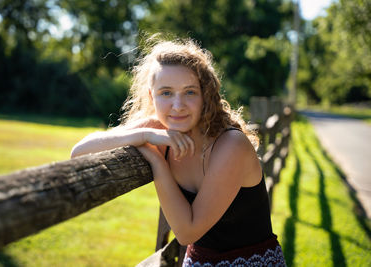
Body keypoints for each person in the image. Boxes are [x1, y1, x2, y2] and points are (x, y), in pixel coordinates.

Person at [71, 36, 286, 266]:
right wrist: (143, 136)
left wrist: (156, 161)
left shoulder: (230, 144)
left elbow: (187, 232)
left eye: (190, 92)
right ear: (152, 96)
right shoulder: (157, 128)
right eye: (166, 92)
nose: (177, 105)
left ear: (206, 94)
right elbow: (80, 152)